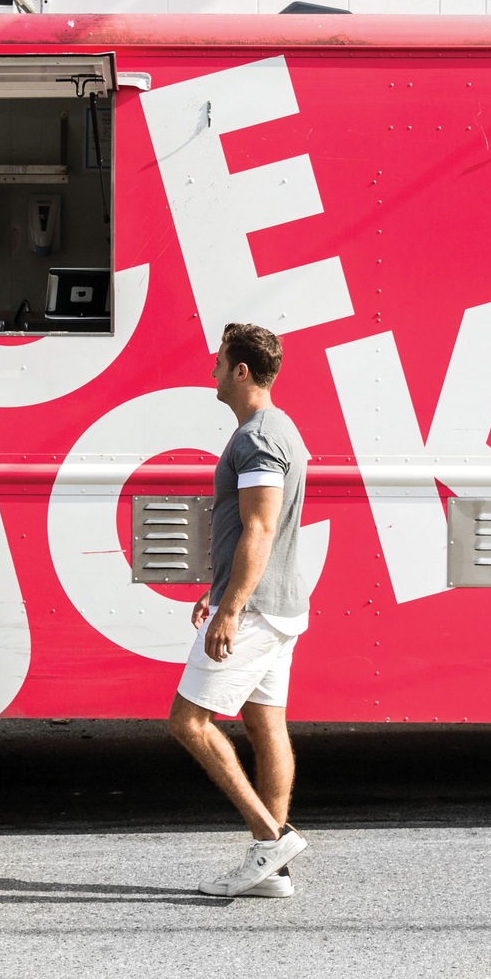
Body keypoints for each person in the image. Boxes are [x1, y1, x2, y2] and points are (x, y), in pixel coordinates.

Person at [167, 322, 310, 899]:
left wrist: (230, 609)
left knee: (188, 722)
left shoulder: (256, 438)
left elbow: (259, 525)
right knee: (264, 722)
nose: (212, 371)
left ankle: (270, 838)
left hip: (255, 610)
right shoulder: (280, 428)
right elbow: (253, 532)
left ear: (241, 372)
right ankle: (271, 870)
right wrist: (217, 588)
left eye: (219, 362)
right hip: (278, 605)